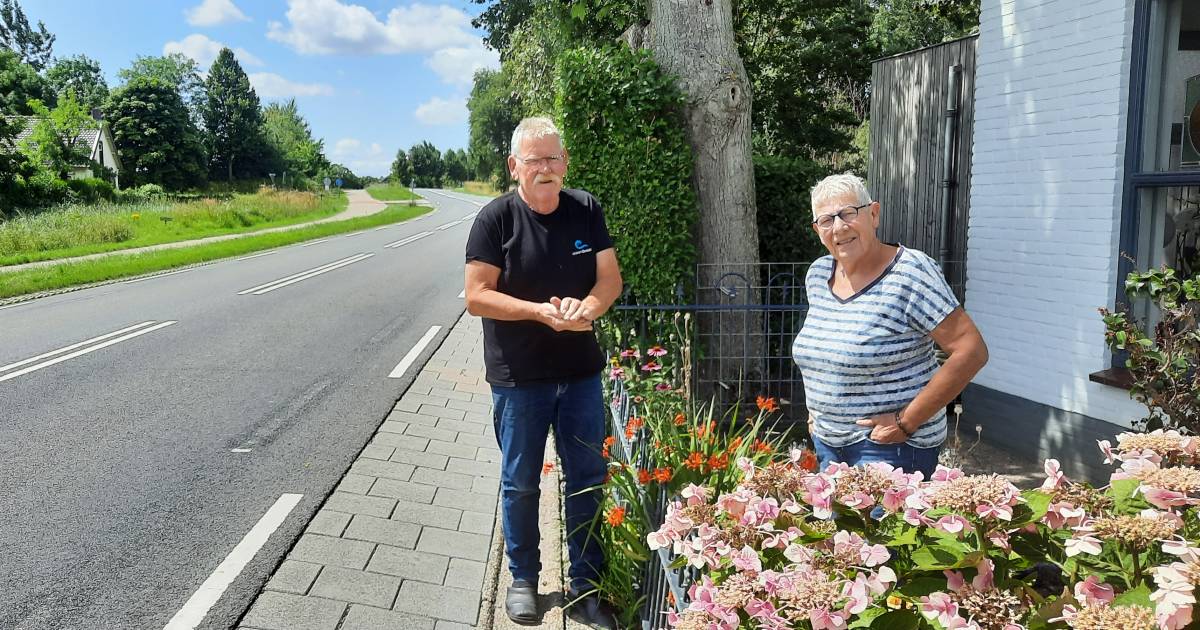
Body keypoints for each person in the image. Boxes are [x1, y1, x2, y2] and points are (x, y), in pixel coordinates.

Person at [464, 117, 622, 628]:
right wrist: (539, 312)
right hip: (519, 379)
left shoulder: (586, 209)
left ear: (565, 162)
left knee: (588, 479)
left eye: (554, 158)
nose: (546, 168)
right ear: (515, 166)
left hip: (580, 375)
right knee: (520, 482)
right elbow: (476, 296)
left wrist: (588, 308)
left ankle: (585, 585)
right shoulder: (495, 220)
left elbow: (609, 280)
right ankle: (523, 580)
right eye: (535, 160)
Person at [791, 173, 989, 478]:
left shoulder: (911, 273)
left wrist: (905, 422)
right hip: (828, 444)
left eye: (848, 213)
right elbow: (825, 351)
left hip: (890, 447)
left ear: (873, 214)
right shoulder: (819, 274)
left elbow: (971, 351)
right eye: (827, 220)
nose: (839, 227)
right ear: (818, 230)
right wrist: (816, 413)